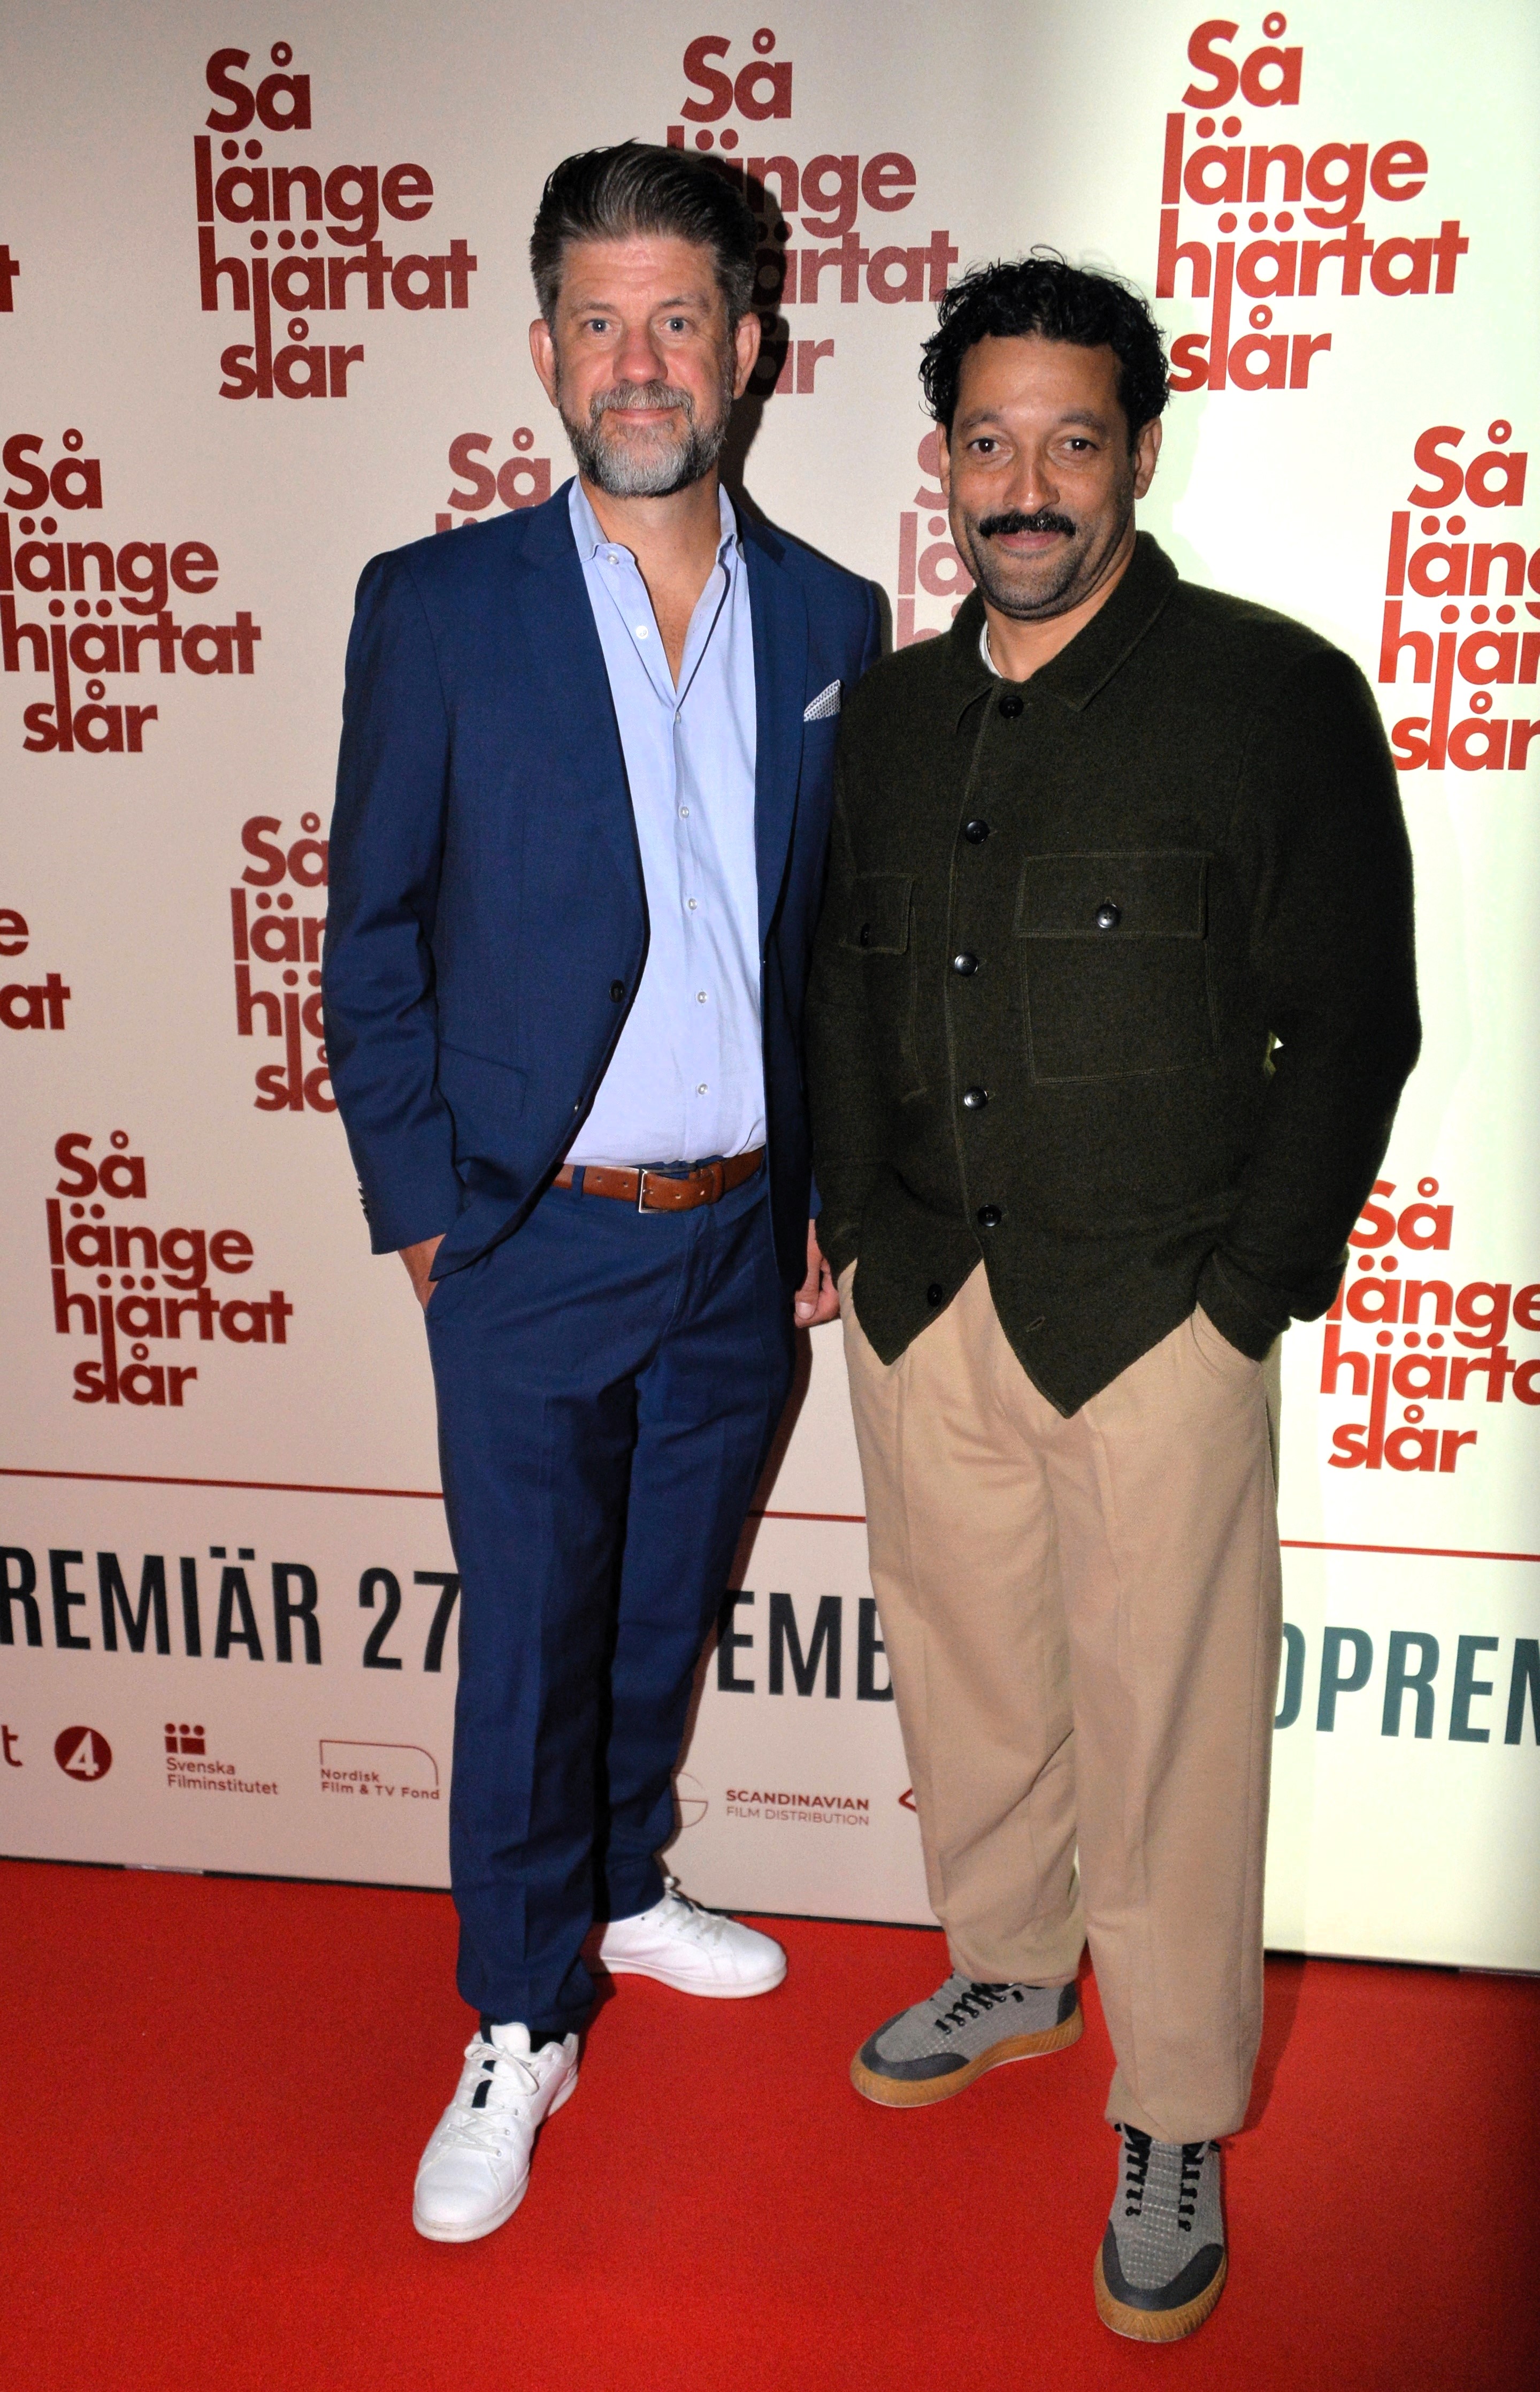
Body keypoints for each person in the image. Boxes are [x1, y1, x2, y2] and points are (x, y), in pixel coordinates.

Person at [806, 254, 1418, 2342]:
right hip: (929, 1302)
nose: (1027, 485)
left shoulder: (1272, 696)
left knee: (1171, 1743)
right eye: (990, 441)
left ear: (1142, 453)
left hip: (1159, 1313)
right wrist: (857, 1229)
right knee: (969, 1677)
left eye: (1073, 441)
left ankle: (1173, 2102)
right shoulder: (890, 718)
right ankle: (1010, 1965)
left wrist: (1248, 1295)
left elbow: (1354, 1023)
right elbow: (840, 984)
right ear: (942, 459)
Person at [324, 140, 880, 2244]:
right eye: (600, 323)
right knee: (532, 1640)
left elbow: (826, 940)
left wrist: (822, 1187)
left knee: (666, 1601)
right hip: (530, 1230)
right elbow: (371, 932)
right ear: (545, 349)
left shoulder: (831, 616)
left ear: (748, 348)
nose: (640, 364)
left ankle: (627, 1878)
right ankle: (518, 2008)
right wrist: (426, 1207)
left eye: (679, 321)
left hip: (741, 1228)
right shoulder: (438, 607)